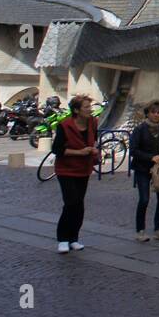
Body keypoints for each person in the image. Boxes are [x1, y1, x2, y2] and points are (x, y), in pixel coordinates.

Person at [51, 95, 99, 254]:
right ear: (77, 110)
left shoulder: (93, 122)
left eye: (89, 107)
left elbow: (94, 139)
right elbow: (57, 149)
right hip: (66, 170)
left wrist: (94, 149)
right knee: (70, 202)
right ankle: (63, 239)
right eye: (86, 107)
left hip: (83, 169)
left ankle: (74, 238)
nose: (90, 109)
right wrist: (79, 152)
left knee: (79, 204)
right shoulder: (64, 126)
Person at [129, 101, 159, 242]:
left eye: (158, 112)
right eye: (153, 112)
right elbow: (133, 150)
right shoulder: (139, 129)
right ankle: (140, 230)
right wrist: (150, 157)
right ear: (147, 113)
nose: (156, 114)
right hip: (142, 168)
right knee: (144, 199)